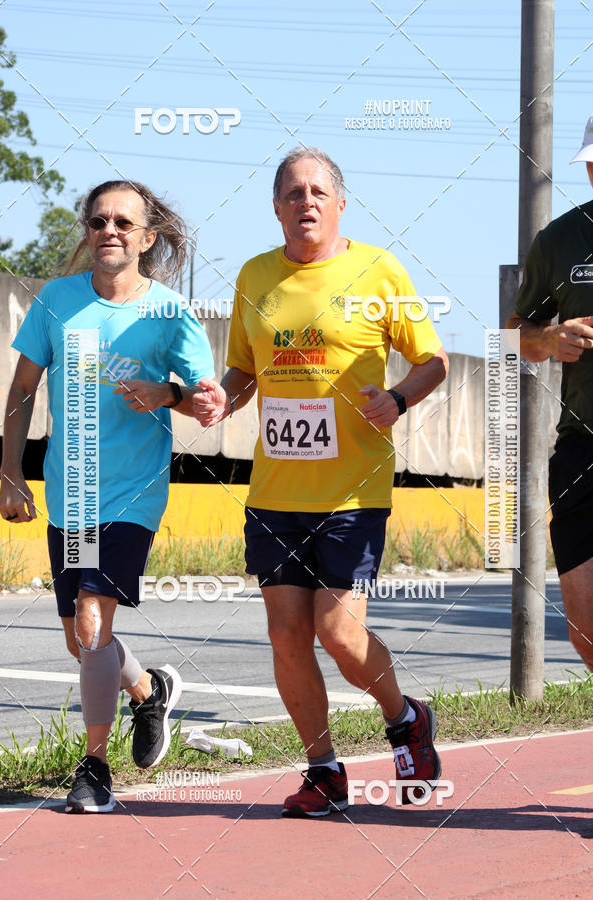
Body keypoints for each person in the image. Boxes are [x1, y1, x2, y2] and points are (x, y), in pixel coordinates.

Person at [192, 147, 448, 817]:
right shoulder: (254, 277)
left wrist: (397, 399)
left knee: (338, 632)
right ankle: (324, 769)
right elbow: (242, 371)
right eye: (291, 193)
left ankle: (404, 718)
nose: (305, 201)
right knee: (285, 635)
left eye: (316, 191)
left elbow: (434, 360)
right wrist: (223, 396)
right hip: (276, 491)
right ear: (276, 208)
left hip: (351, 490)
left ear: (340, 204)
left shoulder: (376, 270)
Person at [0, 180, 215, 813]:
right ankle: (148, 691)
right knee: (81, 638)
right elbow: (20, 392)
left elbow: (206, 400)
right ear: (87, 232)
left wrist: (169, 394)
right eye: (98, 221)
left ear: (147, 238)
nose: (109, 230)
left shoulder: (168, 312)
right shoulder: (57, 301)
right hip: (72, 491)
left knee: (93, 621)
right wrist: (11, 472)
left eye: (124, 222)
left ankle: (93, 768)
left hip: (131, 493)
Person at [507, 115, 593, 675]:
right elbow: (513, 335)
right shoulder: (558, 240)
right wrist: (550, 336)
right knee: (585, 624)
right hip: (582, 448)